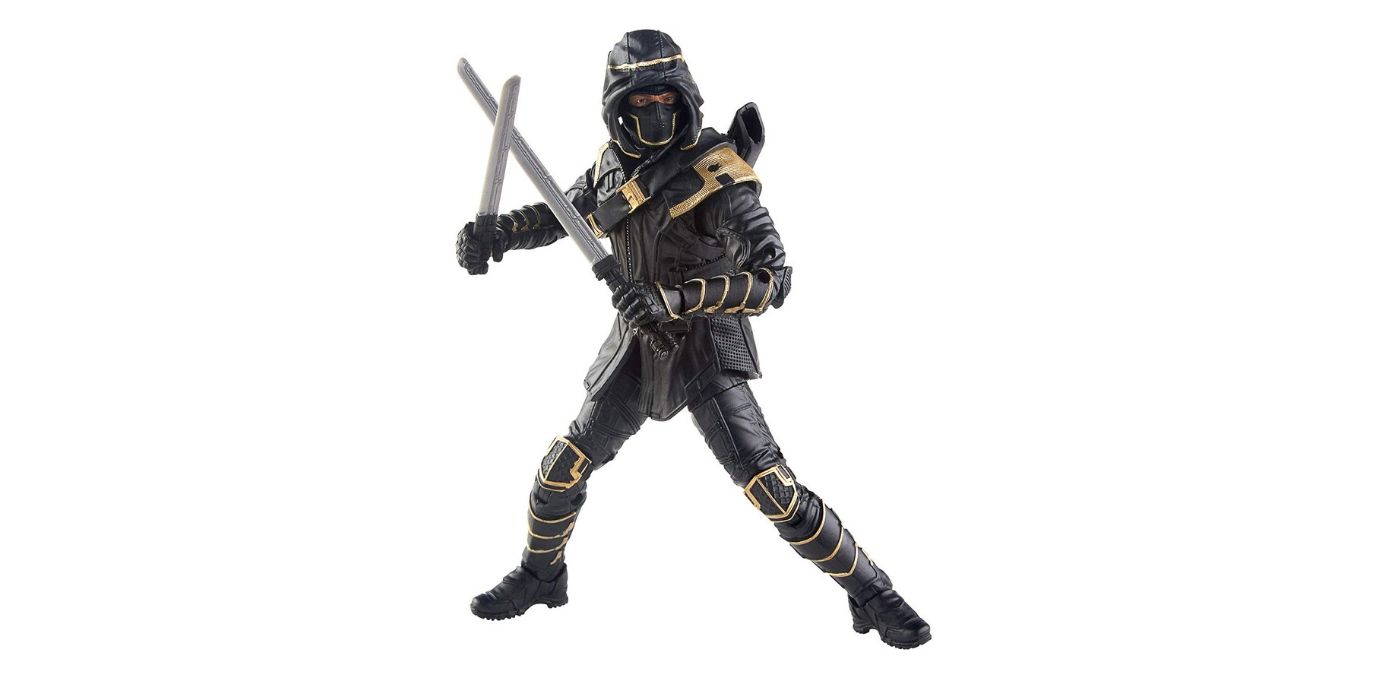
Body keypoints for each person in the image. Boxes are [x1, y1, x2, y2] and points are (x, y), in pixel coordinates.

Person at [457, 29, 930, 649]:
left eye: (665, 101)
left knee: (771, 488)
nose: (655, 114)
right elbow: (563, 215)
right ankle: (540, 576)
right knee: (561, 468)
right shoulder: (610, 168)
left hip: (706, 343)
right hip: (637, 343)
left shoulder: (719, 176)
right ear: (619, 108)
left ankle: (873, 594)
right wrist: (498, 235)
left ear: (684, 100)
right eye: (641, 103)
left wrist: (674, 299)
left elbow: (773, 281)